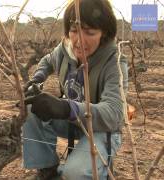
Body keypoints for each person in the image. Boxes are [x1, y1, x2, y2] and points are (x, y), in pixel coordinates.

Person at [22, 0, 128, 179]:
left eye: (90, 32)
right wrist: (37, 78)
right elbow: (48, 61)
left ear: (104, 33)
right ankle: (47, 171)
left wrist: (67, 108)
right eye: (73, 30)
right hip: (73, 121)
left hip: (102, 129)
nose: (79, 40)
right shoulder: (65, 50)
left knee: (76, 173)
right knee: (32, 106)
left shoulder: (114, 62)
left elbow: (115, 113)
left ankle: (99, 170)